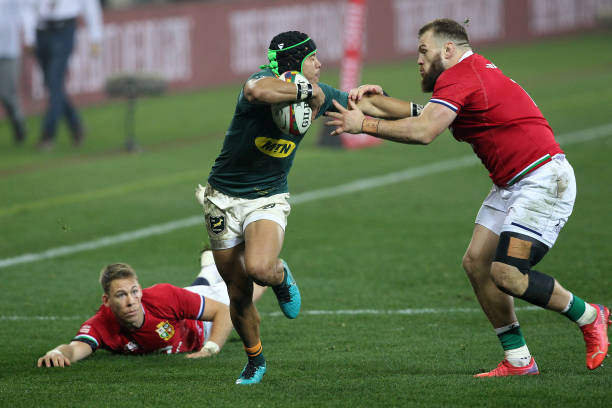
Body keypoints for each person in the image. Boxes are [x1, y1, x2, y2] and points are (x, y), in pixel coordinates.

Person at [325, 18, 610, 377]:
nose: (418, 59)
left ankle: (590, 315)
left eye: (424, 50)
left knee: (508, 274)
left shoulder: (461, 76)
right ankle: (520, 361)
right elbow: (425, 114)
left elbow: (425, 131)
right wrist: (375, 104)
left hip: (543, 180)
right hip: (512, 184)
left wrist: (364, 124)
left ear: (449, 50)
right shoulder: (470, 73)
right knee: (477, 264)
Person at [196, 30, 356, 384]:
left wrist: (418, 111)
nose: (319, 64)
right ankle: (255, 360)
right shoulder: (262, 83)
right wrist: (306, 91)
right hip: (222, 198)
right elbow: (255, 92)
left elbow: (363, 104)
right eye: (312, 58)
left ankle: (280, 276)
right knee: (236, 291)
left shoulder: (322, 92)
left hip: (267, 196)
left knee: (260, 267)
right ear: (297, 62)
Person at [37, 251, 267, 368]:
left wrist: (211, 348)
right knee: (200, 287)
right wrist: (58, 353)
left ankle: (276, 269)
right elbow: (75, 348)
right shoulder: (101, 324)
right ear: (106, 300)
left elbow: (224, 311)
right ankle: (208, 265)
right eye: (121, 295)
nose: (131, 301)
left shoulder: (161, 296)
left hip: (200, 323)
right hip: (184, 303)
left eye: (134, 291)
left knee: (249, 287)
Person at [22, 0, 103, 151]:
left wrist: (96, 36)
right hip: (41, 30)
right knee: (52, 84)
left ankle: (48, 134)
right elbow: (27, 6)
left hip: (64, 29)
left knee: (54, 81)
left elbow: (90, 5)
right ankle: (76, 124)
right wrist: (29, 37)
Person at [0, 0, 28, 145]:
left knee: (7, 93)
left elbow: (25, 10)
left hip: (8, 51)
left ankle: (18, 122)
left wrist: (29, 36)